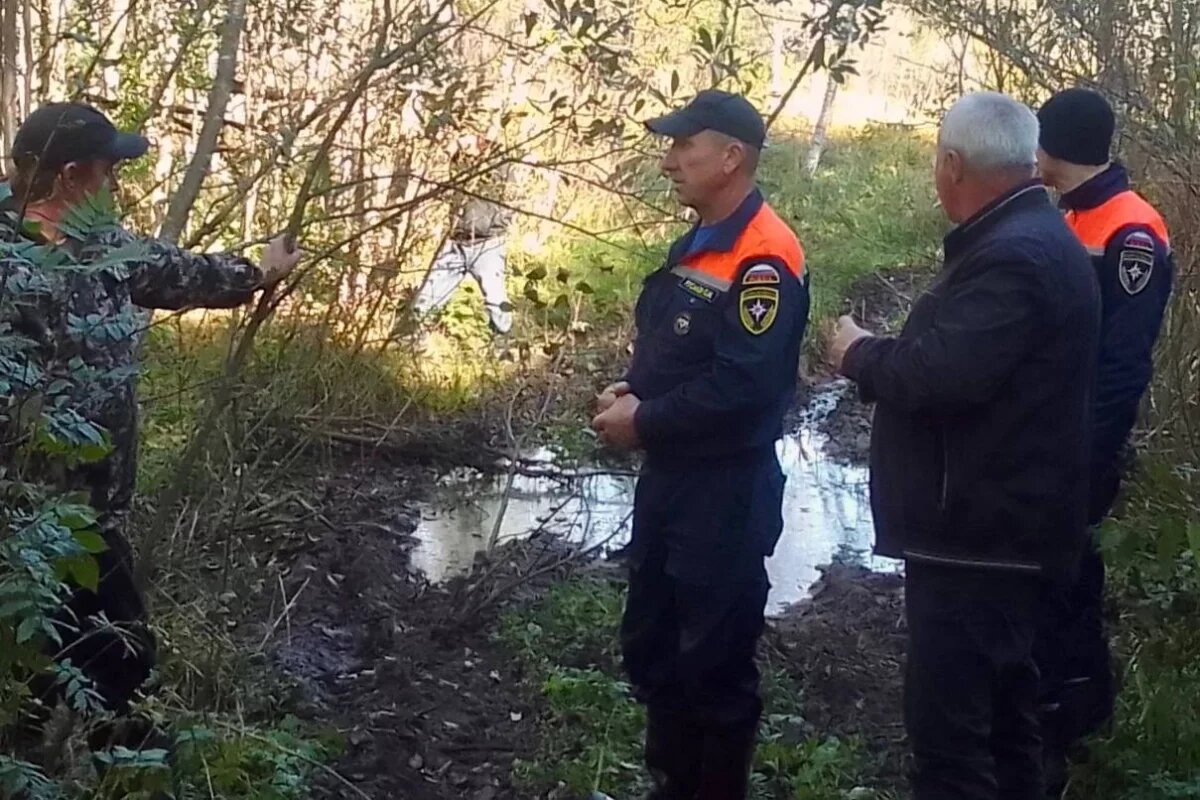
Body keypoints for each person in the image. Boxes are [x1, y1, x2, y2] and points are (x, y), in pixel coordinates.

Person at [0, 102, 301, 765]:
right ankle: (136, 768)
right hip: (26, 521)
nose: (115, 186)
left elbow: (182, 274)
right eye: (109, 172)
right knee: (119, 653)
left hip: (95, 510)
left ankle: (45, 754)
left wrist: (259, 271)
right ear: (71, 176)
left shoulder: (104, 249)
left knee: (62, 654)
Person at [829, 92, 1100, 799]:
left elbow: (937, 373)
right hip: (1002, 535)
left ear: (952, 165)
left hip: (981, 541)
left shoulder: (1016, 257)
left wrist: (859, 353)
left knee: (954, 744)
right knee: (1007, 728)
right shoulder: (1029, 239)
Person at [591, 89, 810, 799]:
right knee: (654, 642)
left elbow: (742, 388)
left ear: (731, 156)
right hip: (673, 481)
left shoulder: (765, 258)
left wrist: (645, 421)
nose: (669, 162)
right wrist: (632, 395)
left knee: (712, 663)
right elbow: (678, 355)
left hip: (724, 491)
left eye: (685, 146)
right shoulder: (697, 241)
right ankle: (672, 784)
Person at [1032, 87, 1174, 796]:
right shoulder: (1074, 214)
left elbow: (1122, 367)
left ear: (1053, 147)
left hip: (1079, 447)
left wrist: (1084, 456)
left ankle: (1069, 718)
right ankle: (1071, 708)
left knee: (1060, 580)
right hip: (1049, 441)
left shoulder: (1131, 231)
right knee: (1055, 576)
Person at [396, 133, 515, 337]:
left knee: (497, 302)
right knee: (426, 298)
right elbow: (439, 164)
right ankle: (411, 342)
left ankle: (503, 347)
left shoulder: (500, 162)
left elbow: (512, 196)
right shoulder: (459, 161)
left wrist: (498, 223)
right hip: (456, 243)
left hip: (488, 244)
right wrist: (456, 146)